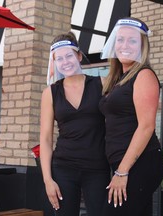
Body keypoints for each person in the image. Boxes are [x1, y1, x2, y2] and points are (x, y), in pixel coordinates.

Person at [99, 17, 163, 215]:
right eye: (120, 40)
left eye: (132, 41)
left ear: (142, 47)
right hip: (124, 163)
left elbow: (146, 127)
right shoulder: (117, 79)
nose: (124, 45)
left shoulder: (144, 75)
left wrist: (122, 171)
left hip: (139, 163)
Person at [39, 31, 110, 216]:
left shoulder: (101, 84)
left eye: (69, 55)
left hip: (97, 168)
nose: (65, 62)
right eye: (59, 58)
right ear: (54, 62)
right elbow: (45, 139)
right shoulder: (50, 93)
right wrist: (48, 180)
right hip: (63, 168)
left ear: (79, 55)